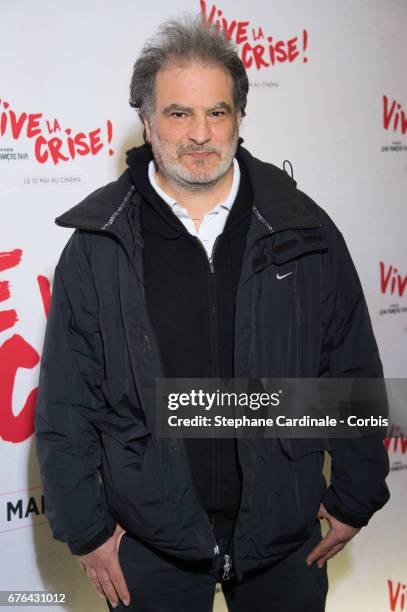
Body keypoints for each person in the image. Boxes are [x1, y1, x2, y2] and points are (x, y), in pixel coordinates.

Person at [34, 14, 390, 612]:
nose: (199, 134)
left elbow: (350, 365)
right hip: (150, 545)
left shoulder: (304, 229)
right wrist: (86, 529)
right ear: (147, 121)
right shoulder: (98, 244)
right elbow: (67, 400)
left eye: (216, 112)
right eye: (178, 114)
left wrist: (357, 496)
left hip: (284, 541)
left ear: (239, 119)